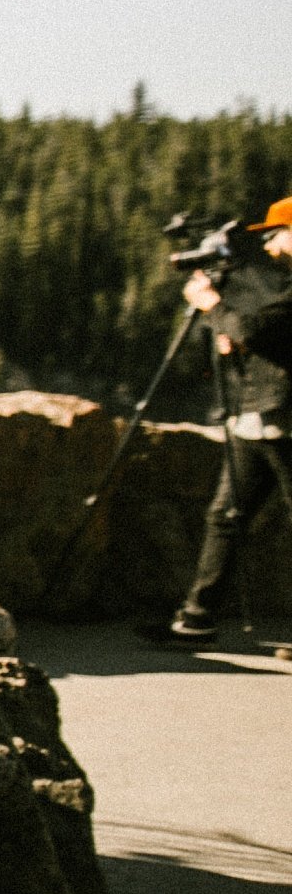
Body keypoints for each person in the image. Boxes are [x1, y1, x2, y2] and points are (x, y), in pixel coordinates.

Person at [157, 193, 292, 643]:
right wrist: (230, 332)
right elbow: (267, 337)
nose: (270, 246)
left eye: (276, 235)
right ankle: (197, 617)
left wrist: (213, 305)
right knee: (226, 516)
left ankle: (197, 616)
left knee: (230, 516)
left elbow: (257, 329)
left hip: (281, 417)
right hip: (258, 413)